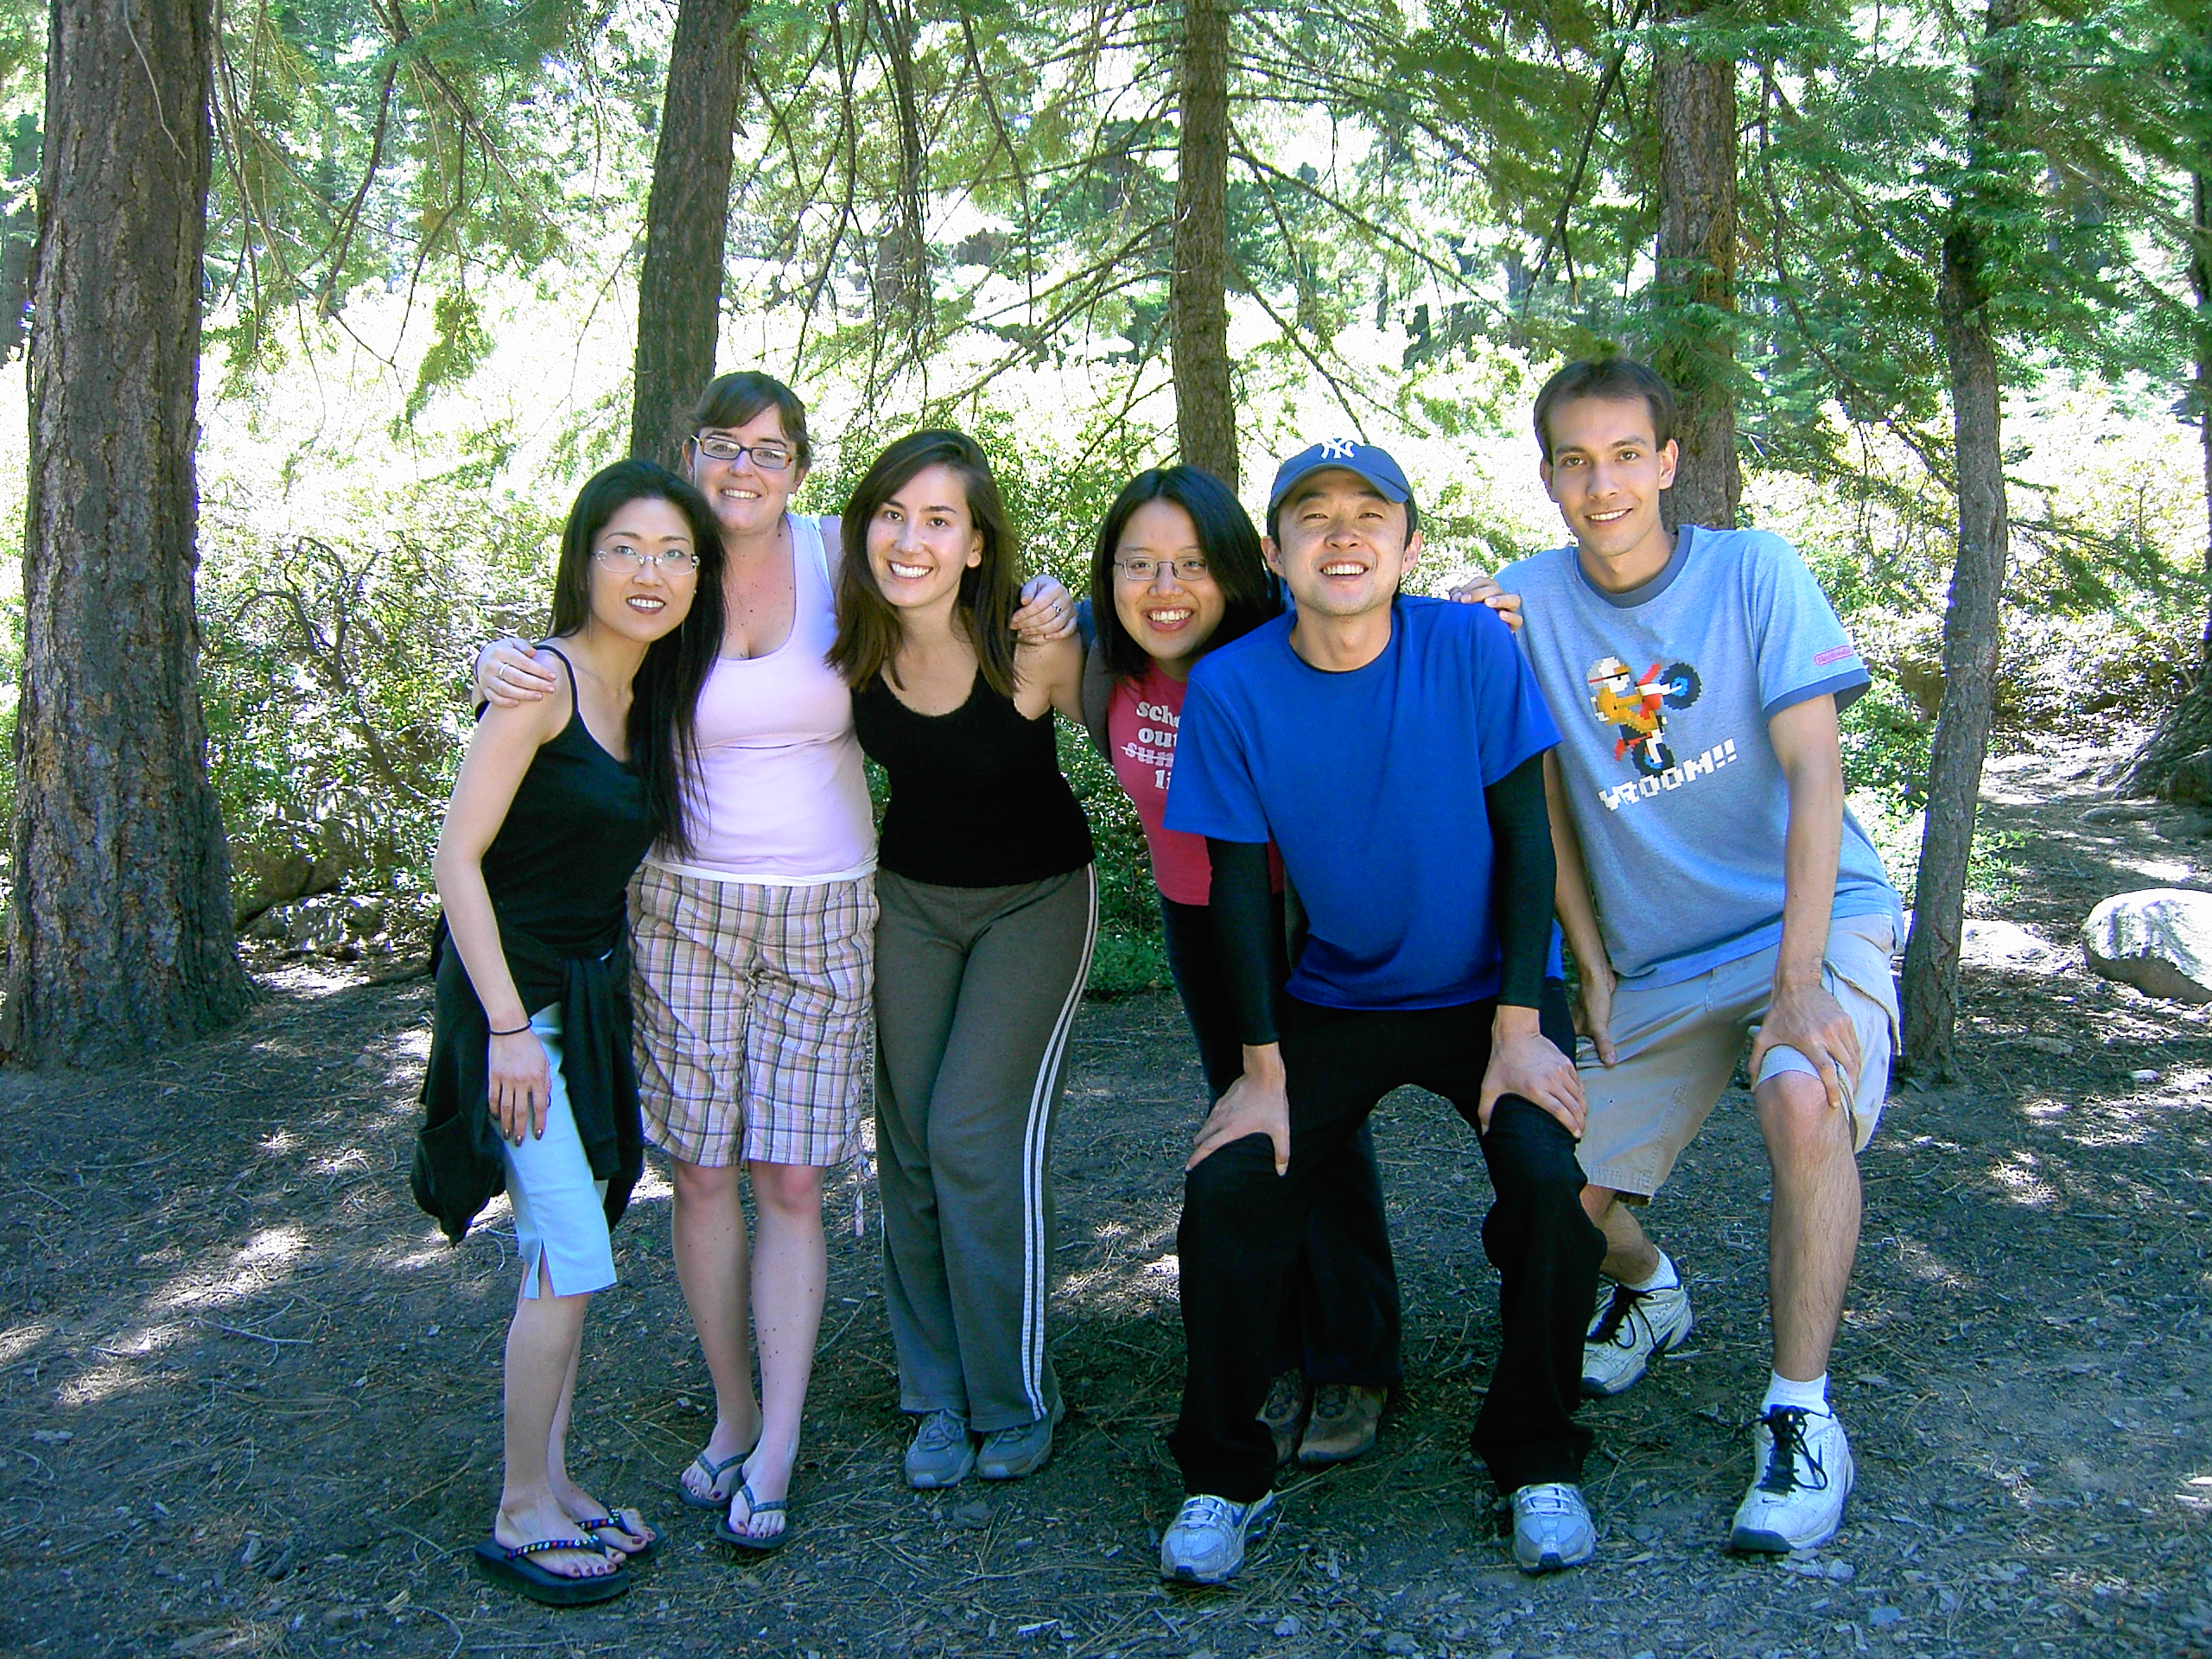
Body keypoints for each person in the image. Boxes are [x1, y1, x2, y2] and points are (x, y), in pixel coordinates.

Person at [472, 375, 1074, 1548]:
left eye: (768, 450)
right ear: (688, 453)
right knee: (702, 1173)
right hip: (681, 903)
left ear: (799, 468)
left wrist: (1044, 600)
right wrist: (502, 660)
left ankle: (784, 1440)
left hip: (828, 905)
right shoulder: (668, 566)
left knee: (792, 1178)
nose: (742, 468)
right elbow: (579, 657)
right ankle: (734, 1415)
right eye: (722, 445)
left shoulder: (842, 554)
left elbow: (951, 581)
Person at [1155, 439, 1606, 1586]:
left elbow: (1527, 841)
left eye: (1370, 513)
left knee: (1550, 1189)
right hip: (1339, 991)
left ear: (1409, 546)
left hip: (1490, 994)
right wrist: (1261, 1071)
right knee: (1228, 1187)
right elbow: (1239, 892)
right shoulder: (1233, 686)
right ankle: (1222, 1476)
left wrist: (1522, 1024)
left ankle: (1536, 1455)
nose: (1342, 534)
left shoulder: (1471, 647)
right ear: (1274, 555)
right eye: (1313, 516)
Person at [1491, 357, 1905, 1554]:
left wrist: (1797, 986)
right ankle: (1651, 1293)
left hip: (1805, 925)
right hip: (1658, 959)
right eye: (1576, 460)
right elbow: (1545, 798)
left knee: (1799, 1093)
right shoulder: (1524, 605)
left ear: (1669, 462)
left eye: (1627, 455)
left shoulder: (1755, 571)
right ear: (1547, 477)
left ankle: (1801, 1416)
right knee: (1548, 1202)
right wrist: (1589, 961)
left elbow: (1816, 775)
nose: (1603, 484)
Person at [413, 459, 723, 1603]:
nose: (652, 572)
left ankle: (551, 1477)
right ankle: (517, 1510)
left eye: (675, 554)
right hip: (513, 1009)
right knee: (572, 1253)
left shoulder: (649, 696)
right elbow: (456, 860)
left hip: (583, 1005)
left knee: (568, 1242)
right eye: (626, 548)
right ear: (584, 560)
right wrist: (506, 1027)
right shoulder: (539, 684)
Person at [1076, 465, 1402, 1466]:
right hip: (1194, 921)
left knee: (1319, 1131)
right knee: (1247, 1123)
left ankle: (1355, 1360)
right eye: (1138, 564)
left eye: (1190, 564)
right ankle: (1287, 1332)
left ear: (1234, 568)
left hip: (1290, 921)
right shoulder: (1103, 663)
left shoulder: (1282, 656)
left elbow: (1386, 628)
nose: (1163, 587)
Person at [832, 429, 1096, 1490]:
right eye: (892, 515)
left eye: (939, 520)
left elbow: (1149, 722)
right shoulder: (849, 642)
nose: (911, 539)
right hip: (910, 901)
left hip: (1036, 899)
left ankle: (1015, 1395)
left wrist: (1078, 611)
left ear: (976, 545)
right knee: (906, 1142)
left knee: (972, 1136)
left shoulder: (1029, 645)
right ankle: (935, 1395)